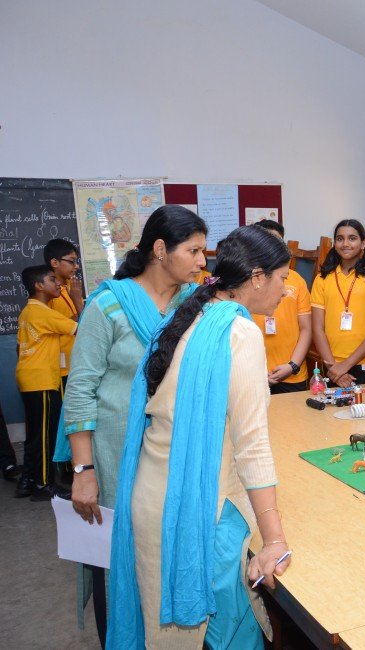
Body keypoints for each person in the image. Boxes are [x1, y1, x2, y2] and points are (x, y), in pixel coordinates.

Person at [108, 226, 291, 647]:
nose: (286, 290)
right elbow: (251, 445)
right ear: (258, 277)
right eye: (282, 278)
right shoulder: (239, 332)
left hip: (152, 498)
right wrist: (274, 540)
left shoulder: (189, 314)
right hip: (199, 508)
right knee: (226, 635)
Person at [58, 205, 207, 646]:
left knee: (161, 548)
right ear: (161, 250)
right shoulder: (108, 306)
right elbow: (80, 389)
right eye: (194, 251)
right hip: (111, 454)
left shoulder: (194, 306)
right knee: (115, 554)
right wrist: (84, 471)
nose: (202, 261)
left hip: (169, 452)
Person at [14, 265, 76, 501]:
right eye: (52, 279)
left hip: (29, 377)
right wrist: (78, 300)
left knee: (35, 433)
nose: (57, 283)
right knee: (44, 435)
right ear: (39, 286)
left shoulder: (28, 311)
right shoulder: (43, 312)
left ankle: (28, 480)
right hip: (41, 380)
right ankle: (43, 484)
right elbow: (78, 328)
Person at [310, 219, 365, 387]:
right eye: (340, 239)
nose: (345, 244)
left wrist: (346, 365)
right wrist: (333, 367)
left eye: (352, 238)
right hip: (331, 364)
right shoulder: (322, 279)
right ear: (334, 244)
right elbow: (317, 328)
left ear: (363, 244)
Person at [251, 219, 313, 394]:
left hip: (291, 374)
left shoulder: (296, 280)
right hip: (255, 374)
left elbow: (306, 328)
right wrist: (255, 371)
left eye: (277, 242)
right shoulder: (247, 279)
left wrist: (293, 365)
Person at [43, 238, 83, 382]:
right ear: (55, 263)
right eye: (72, 261)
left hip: (78, 362)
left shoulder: (72, 287)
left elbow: (84, 322)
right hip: (61, 367)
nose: (76, 266)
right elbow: (52, 326)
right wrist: (77, 302)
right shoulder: (48, 294)